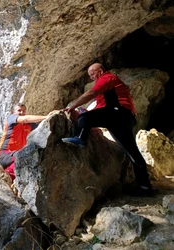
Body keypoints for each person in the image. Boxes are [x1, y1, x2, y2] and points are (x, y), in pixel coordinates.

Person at [61, 63, 154, 196]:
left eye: (92, 73)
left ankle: (81, 139)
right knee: (132, 153)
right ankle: (145, 187)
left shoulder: (107, 77)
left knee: (84, 118)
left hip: (118, 113)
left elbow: (91, 93)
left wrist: (73, 107)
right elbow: (99, 111)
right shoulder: (105, 93)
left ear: (100, 71)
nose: (92, 77)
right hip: (119, 119)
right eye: (89, 75)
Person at [0, 103, 51, 181]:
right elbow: (25, 119)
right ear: (14, 112)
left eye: (24, 111)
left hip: (16, 155)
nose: (22, 112)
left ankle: (12, 179)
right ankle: (6, 176)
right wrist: (46, 117)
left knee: (29, 158)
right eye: (19, 110)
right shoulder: (11, 119)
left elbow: (42, 127)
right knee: (22, 158)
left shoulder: (29, 125)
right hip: (4, 154)